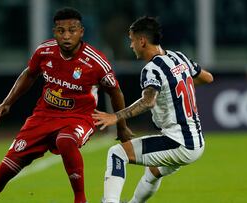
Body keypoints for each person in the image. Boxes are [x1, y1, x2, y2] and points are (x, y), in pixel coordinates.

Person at [0, 7, 132, 203]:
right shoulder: (44, 51)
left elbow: (115, 91)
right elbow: (29, 74)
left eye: (72, 30)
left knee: (65, 140)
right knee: (6, 169)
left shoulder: (96, 62)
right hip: (43, 116)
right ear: (55, 32)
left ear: (81, 32)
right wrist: (7, 102)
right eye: (61, 31)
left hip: (79, 117)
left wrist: (122, 126)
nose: (67, 36)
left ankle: (80, 199)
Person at [92, 16, 214, 203]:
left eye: (132, 40)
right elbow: (207, 78)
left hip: (179, 142)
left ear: (142, 41)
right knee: (153, 172)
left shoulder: (151, 69)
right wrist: (178, 84)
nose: (131, 45)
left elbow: (148, 102)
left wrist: (116, 116)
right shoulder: (178, 57)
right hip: (196, 142)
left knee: (117, 153)